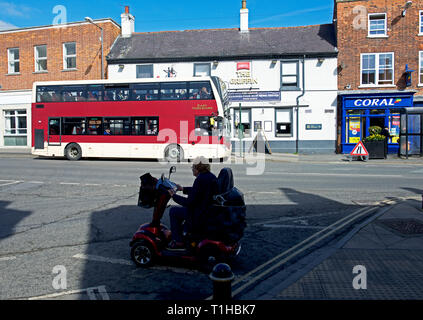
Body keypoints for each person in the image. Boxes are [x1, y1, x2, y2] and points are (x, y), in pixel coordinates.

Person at [167, 157, 218, 250]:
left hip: (198, 214)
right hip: (206, 210)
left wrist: (173, 196)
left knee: (173, 211)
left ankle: (177, 241)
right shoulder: (210, 176)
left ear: (197, 169)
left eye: (193, 168)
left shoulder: (200, 179)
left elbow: (189, 202)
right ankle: (184, 231)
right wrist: (183, 189)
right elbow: (199, 191)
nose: (192, 170)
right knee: (179, 211)